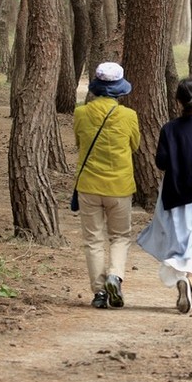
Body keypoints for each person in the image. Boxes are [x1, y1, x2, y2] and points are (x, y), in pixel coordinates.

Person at [137, 78, 192, 313]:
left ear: (178, 101)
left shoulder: (170, 129)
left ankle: (179, 275)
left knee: (178, 241)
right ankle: (190, 279)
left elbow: (161, 162)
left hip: (175, 191)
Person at [73, 62, 141, 308]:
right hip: (120, 187)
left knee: (93, 240)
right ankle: (115, 275)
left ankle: (99, 292)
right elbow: (135, 145)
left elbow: (79, 142)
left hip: (89, 185)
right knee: (120, 237)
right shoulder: (129, 116)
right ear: (120, 89)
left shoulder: (81, 113)